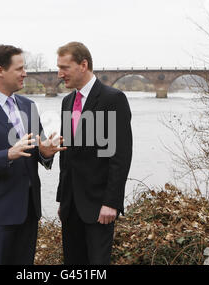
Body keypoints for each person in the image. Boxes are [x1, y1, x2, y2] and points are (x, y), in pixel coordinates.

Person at [0, 44, 65, 265]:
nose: (25, 73)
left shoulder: (29, 106)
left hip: (29, 211)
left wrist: (46, 153)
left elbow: (39, 151)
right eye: (19, 69)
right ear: (0, 71)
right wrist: (7, 154)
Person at [56, 42, 133, 265]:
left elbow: (120, 156)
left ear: (83, 65)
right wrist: (63, 198)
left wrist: (112, 202)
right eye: (58, 68)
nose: (60, 74)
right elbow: (67, 156)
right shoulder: (67, 102)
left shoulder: (113, 99)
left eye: (65, 67)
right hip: (71, 208)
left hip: (100, 207)